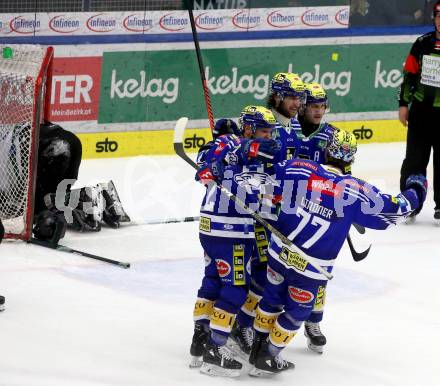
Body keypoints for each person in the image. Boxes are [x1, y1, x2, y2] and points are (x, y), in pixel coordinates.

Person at [248, 129, 427, 376]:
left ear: (325, 150)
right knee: (298, 311)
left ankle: (257, 347)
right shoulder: (354, 190)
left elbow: (261, 181)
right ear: (351, 159)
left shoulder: (299, 168)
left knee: (272, 298)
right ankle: (267, 354)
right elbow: (395, 210)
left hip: (280, 254)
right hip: (310, 267)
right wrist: (416, 189)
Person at [190, 106, 280, 377]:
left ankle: (200, 340)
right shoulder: (227, 142)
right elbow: (203, 169)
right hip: (227, 229)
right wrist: (233, 154)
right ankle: (215, 349)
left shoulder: (265, 156)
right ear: (250, 128)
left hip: (226, 228)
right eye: (264, 130)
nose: (269, 137)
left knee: (214, 281)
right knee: (237, 287)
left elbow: (268, 193)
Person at [32, 121, 130, 245]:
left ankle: (85, 197)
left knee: (42, 207)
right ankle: (104, 197)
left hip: (53, 146)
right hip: (71, 140)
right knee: (57, 194)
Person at [398, 0, 440, 224]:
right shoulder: (422, 43)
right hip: (421, 113)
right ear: (433, 18)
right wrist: (403, 104)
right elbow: (409, 76)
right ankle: (411, 202)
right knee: (414, 159)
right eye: (439, 16)